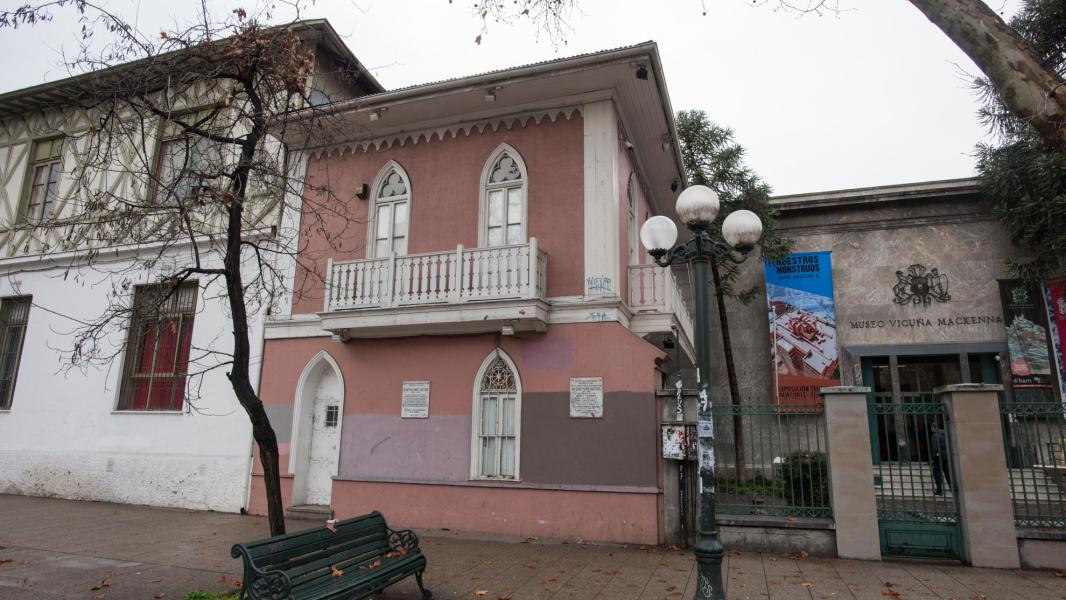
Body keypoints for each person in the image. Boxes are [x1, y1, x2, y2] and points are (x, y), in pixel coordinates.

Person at [930, 422, 951, 496]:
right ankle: (952, 488)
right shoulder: (945, 434)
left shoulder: (935, 436)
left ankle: (939, 490)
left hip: (938, 457)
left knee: (937, 473)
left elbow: (935, 448)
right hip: (946, 455)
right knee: (948, 472)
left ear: (933, 428)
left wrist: (932, 458)